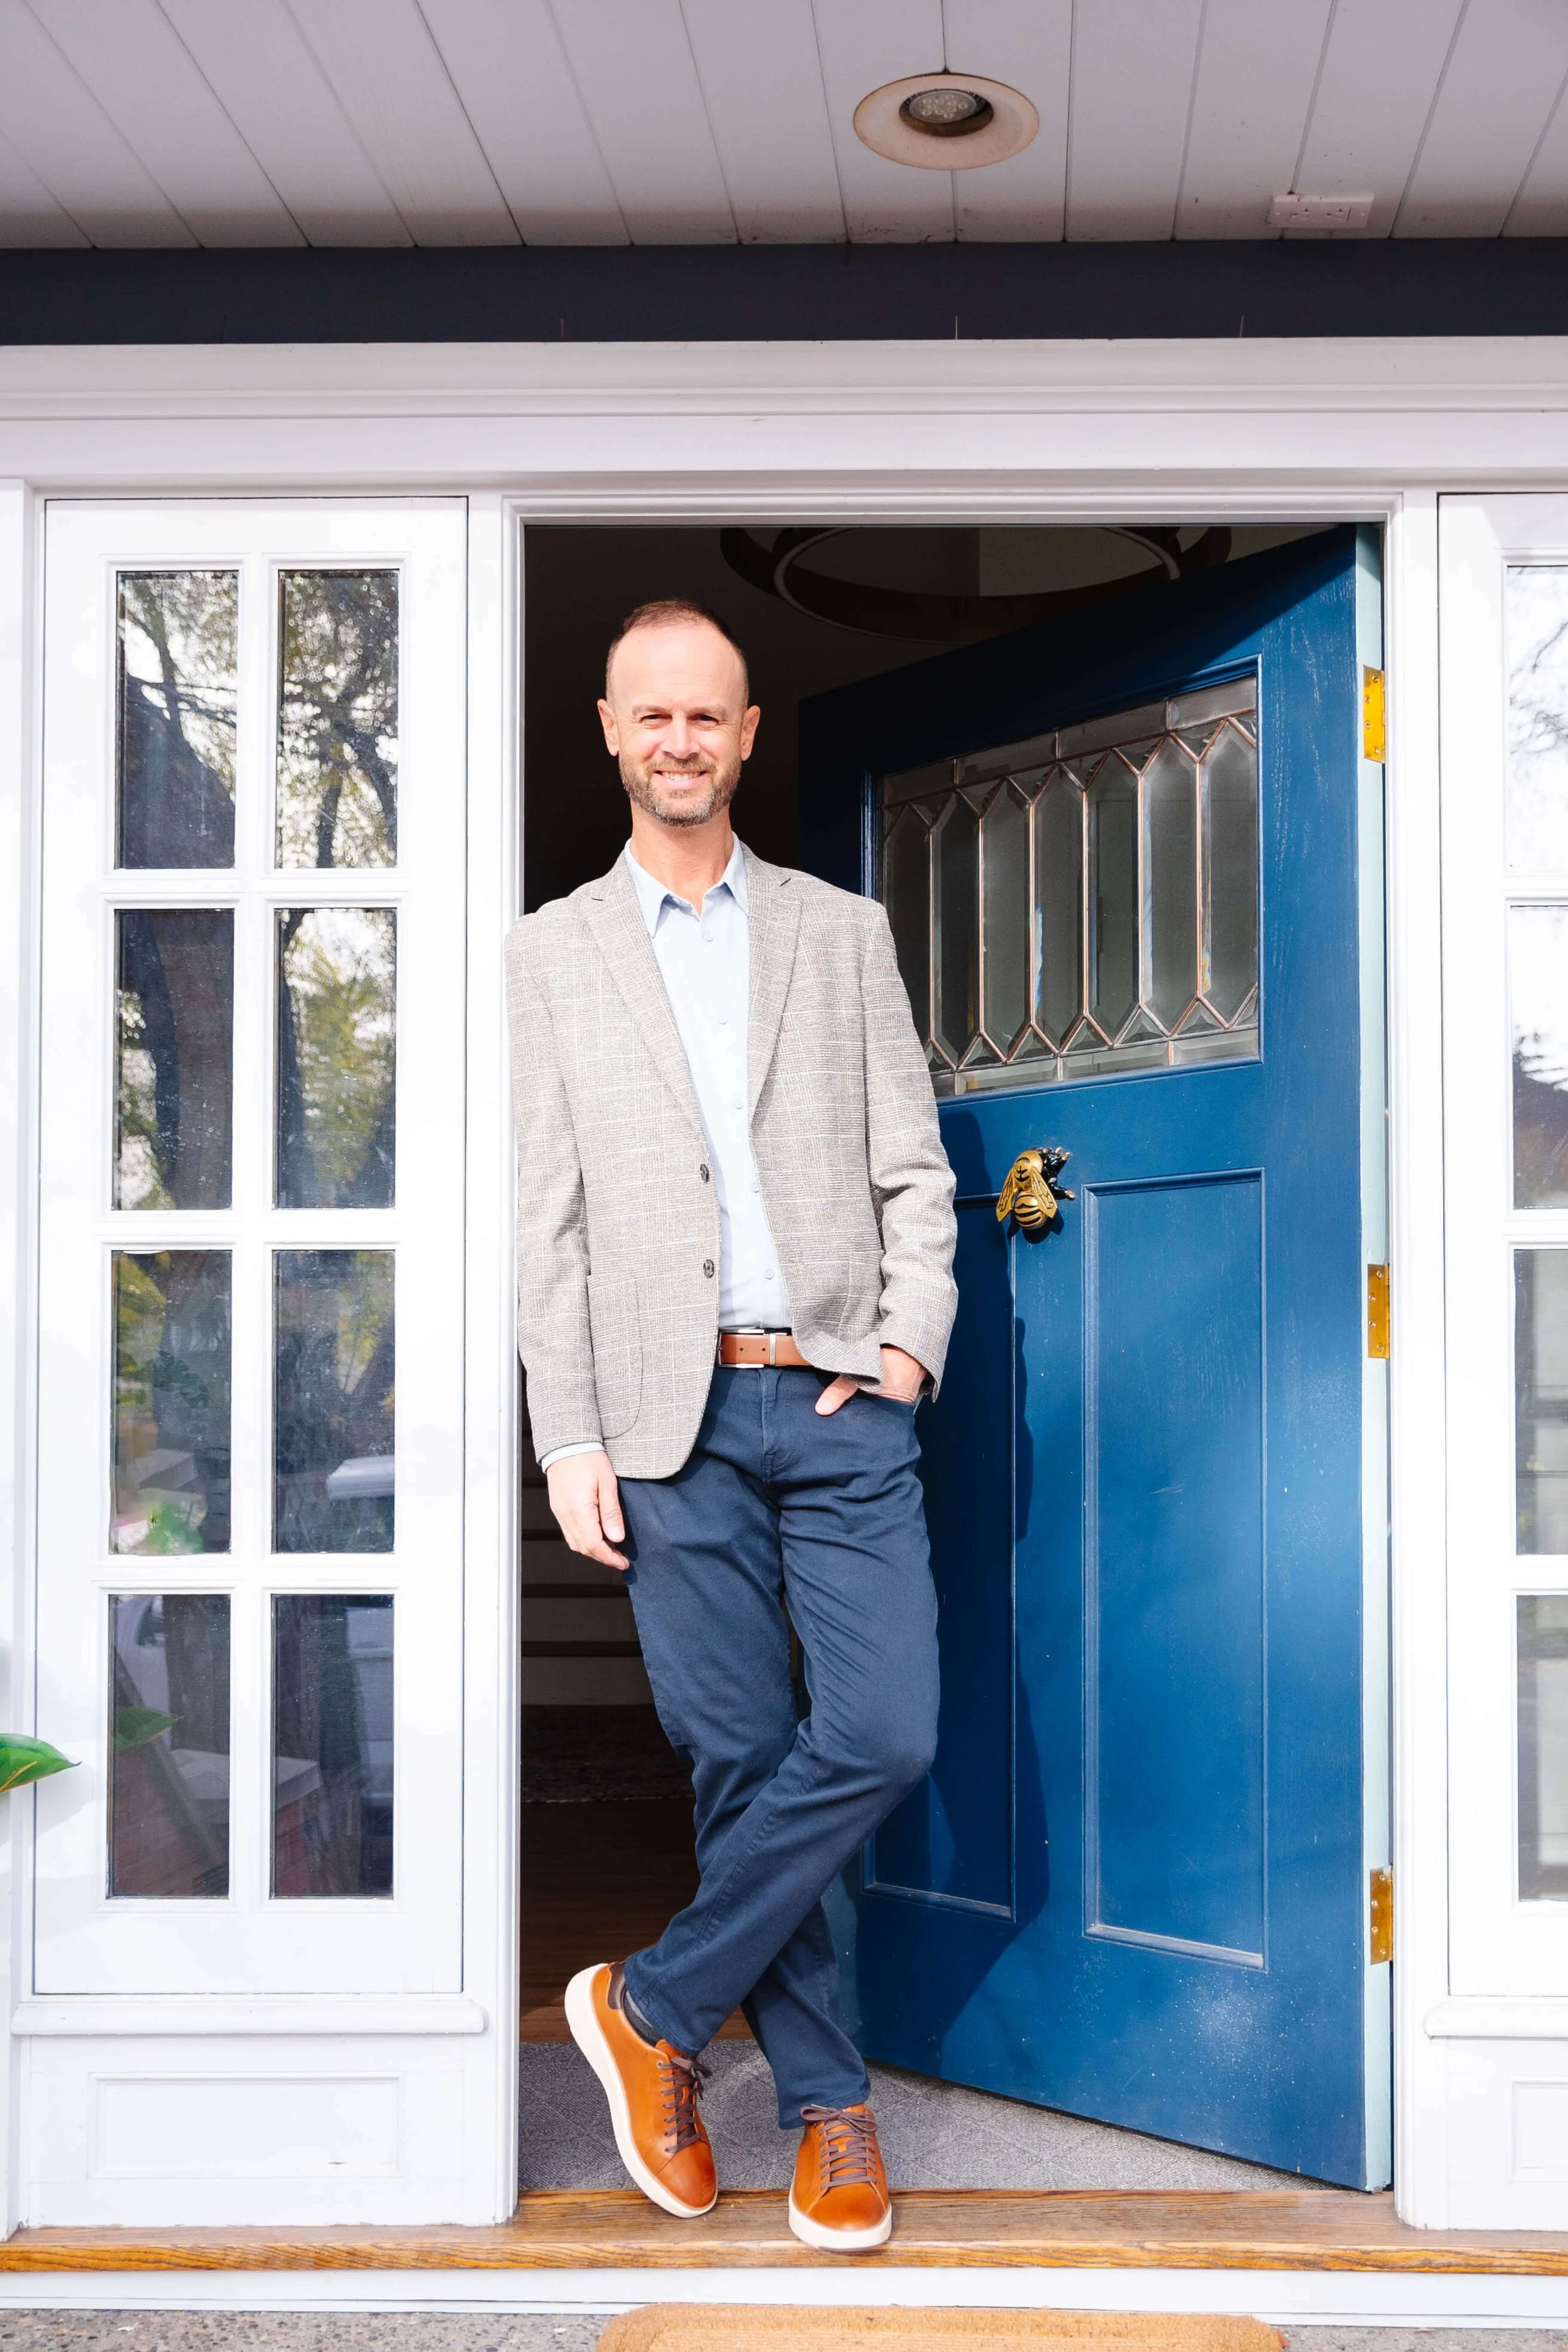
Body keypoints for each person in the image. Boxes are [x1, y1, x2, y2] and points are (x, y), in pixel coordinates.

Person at [504, 598, 957, 2251]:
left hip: (835, 1395)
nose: (681, 739)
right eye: (655, 714)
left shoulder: (839, 934)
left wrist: (908, 1345)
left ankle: (654, 2005)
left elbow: (915, 1170)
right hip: (661, 1414)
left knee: (885, 1729)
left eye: (709, 714)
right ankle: (830, 2107)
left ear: (748, 733)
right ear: (610, 731)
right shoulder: (548, 956)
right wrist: (567, 1434)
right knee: (738, 1755)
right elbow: (543, 1219)